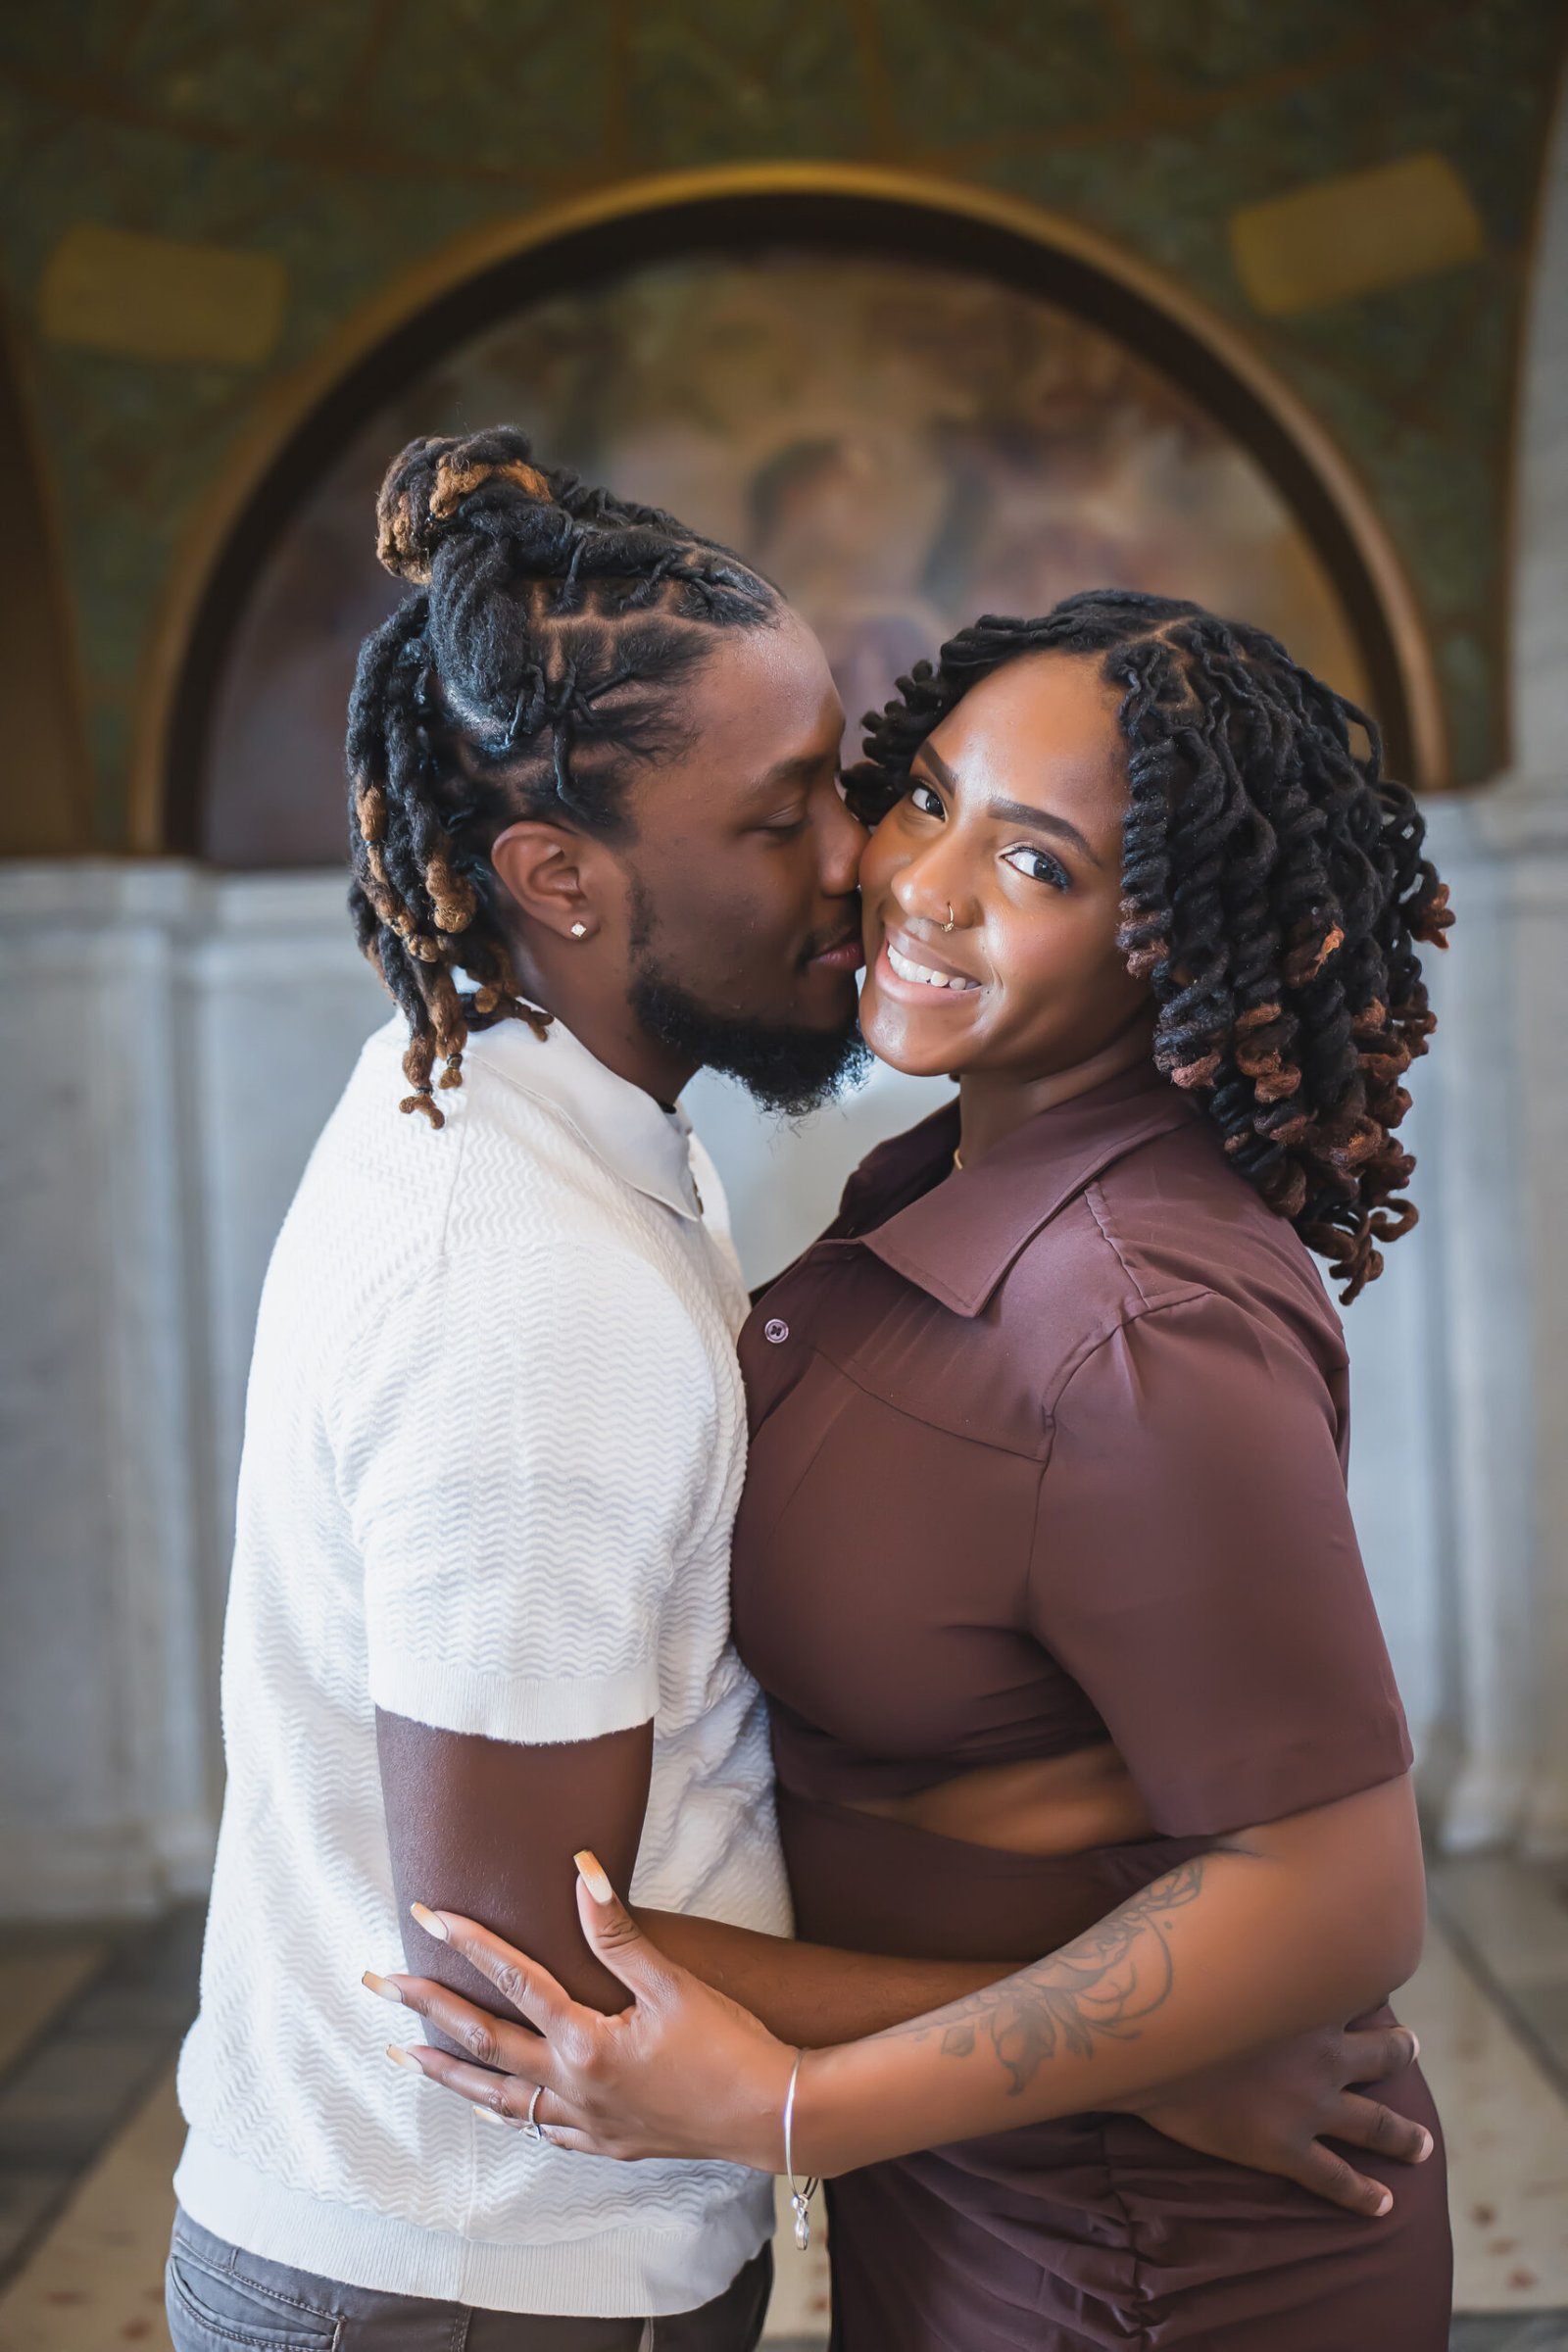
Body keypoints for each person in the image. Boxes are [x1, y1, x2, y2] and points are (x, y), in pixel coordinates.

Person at [359, 590, 1456, 2350]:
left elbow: (1339, 1896)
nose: (921, 885)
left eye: (1036, 864)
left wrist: (797, 2107)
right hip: (981, 2200)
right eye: (927, 797)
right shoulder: (937, 1184)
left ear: (1171, 937)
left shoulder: (1138, 1320)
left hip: (1161, 2262)